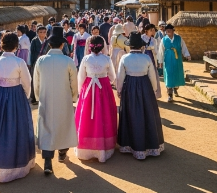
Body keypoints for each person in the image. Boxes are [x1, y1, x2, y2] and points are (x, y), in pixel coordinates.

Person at [0, 33, 35, 183]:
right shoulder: (19, 62)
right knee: (18, 128)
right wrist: (24, 97)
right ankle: (19, 164)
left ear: (2, 45)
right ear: (16, 46)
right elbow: (27, 82)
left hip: (0, 96)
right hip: (17, 96)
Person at [33, 26, 79, 174]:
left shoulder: (41, 61)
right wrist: (73, 97)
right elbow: (74, 82)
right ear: (62, 44)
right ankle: (62, 153)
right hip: (64, 98)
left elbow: (37, 83)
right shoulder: (68, 61)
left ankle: (47, 161)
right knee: (63, 125)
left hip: (45, 98)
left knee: (46, 127)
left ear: (49, 44)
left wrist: (39, 97)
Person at [116, 32, 165, 160]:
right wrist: (154, 90)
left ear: (130, 45)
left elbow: (120, 77)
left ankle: (130, 144)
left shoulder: (125, 58)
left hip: (130, 87)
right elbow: (152, 77)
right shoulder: (146, 58)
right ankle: (150, 145)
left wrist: (119, 90)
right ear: (141, 46)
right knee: (147, 114)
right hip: (145, 87)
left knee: (131, 114)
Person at [74, 35, 117, 163]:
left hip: (89, 88)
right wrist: (104, 80)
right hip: (103, 88)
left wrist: (81, 90)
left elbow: (81, 77)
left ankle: (86, 146)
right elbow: (113, 77)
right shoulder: (107, 59)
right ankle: (104, 147)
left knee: (87, 116)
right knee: (104, 114)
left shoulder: (86, 59)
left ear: (90, 46)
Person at [161, 23, 191, 103]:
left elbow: (184, 47)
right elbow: (161, 51)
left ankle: (176, 88)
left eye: (170, 31)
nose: (168, 32)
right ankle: (170, 94)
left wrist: (187, 55)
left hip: (177, 59)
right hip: (167, 59)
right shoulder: (164, 40)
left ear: (173, 31)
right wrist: (160, 61)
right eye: (167, 31)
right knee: (169, 75)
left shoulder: (179, 38)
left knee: (177, 74)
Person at [141, 24, 163, 99]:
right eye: (151, 30)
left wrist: (152, 49)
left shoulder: (154, 40)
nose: (153, 31)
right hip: (143, 58)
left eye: (153, 30)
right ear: (146, 31)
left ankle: (154, 94)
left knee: (152, 75)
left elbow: (156, 51)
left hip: (151, 58)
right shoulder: (141, 38)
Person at [29, 26, 48, 104]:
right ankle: (34, 97)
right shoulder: (34, 41)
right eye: (40, 32)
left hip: (45, 63)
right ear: (37, 33)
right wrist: (31, 62)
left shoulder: (47, 42)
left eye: (44, 32)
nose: (42, 34)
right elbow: (31, 52)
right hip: (35, 62)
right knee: (35, 79)